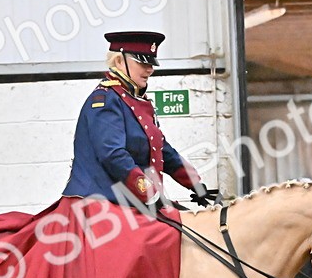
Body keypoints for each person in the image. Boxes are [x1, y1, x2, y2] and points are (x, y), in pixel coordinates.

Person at [62, 31, 218, 208]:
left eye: (151, 64)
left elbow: (161, 149)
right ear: (119, 61)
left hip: (133, 200)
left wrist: (195, 184)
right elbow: (113, 155)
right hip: (102, 202)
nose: (150, 70)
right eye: (142, 62)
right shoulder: (106, 100)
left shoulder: (134, 99)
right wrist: (148, 192)